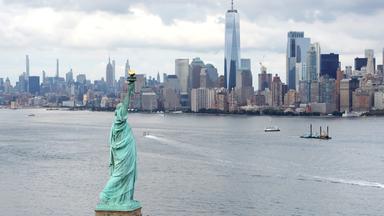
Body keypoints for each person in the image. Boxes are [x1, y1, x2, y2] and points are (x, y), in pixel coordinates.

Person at [96, 75, 141, 211]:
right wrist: (130, 90)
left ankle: (125, 198)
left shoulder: (118, 124)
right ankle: (105, 194)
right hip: (123, 154)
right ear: (119, 113)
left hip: (125, 152)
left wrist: (131, 88)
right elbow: (126, 104)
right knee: (120, 174)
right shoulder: (118, 122)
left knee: (126, 175)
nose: (123, 111)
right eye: (121, 110)